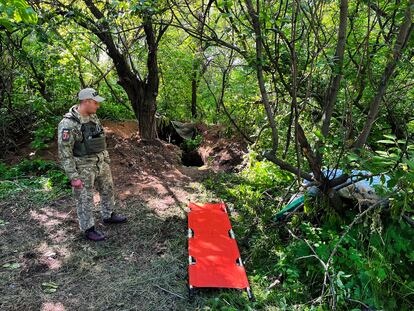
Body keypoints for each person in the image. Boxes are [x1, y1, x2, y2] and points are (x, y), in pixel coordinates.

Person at [58, 88, 127, 241]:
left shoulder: (93, 117)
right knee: (84, 198)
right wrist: (73, 177)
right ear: (86, 101)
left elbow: (99, 138)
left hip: (101, 162)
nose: (98, 106)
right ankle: (88, 228)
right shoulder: (68, 124)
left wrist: (106, 159)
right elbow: (65, 153)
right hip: (83, 167)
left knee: (108, 189)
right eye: (95, 103)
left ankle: (108, 215)